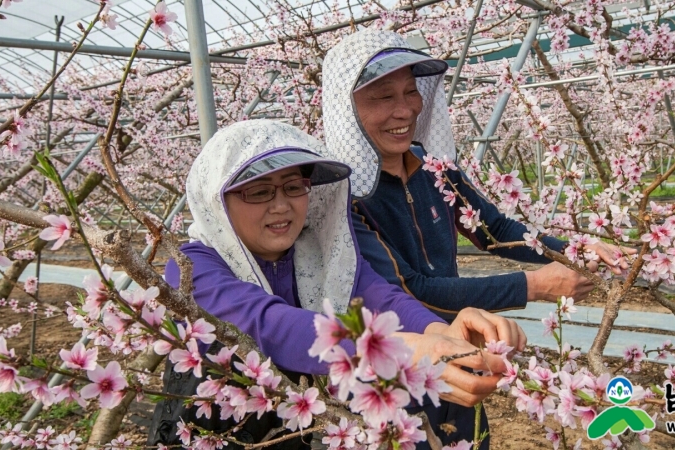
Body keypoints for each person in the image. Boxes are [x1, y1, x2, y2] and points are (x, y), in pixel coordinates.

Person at [147, 119, 524, 449]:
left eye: (294, 187)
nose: (281, 205)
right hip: (210, 427)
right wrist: (401, 349)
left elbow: (381, 296)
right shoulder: (193, 265)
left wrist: (443, 335)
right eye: (259, 191)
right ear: (218, 201)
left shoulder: (318, 255)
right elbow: (271, 324)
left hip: (292, 425)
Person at [321, 29, 634, 321]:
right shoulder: (344, 198)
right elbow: (412, 290)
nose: (405, 109)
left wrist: (572, 250)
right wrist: (535, 285)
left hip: (459, 332)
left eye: (410, 91)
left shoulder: (433, 167)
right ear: (346, 108)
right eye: (384, 97)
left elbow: (493, 230)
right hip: (396, 355)